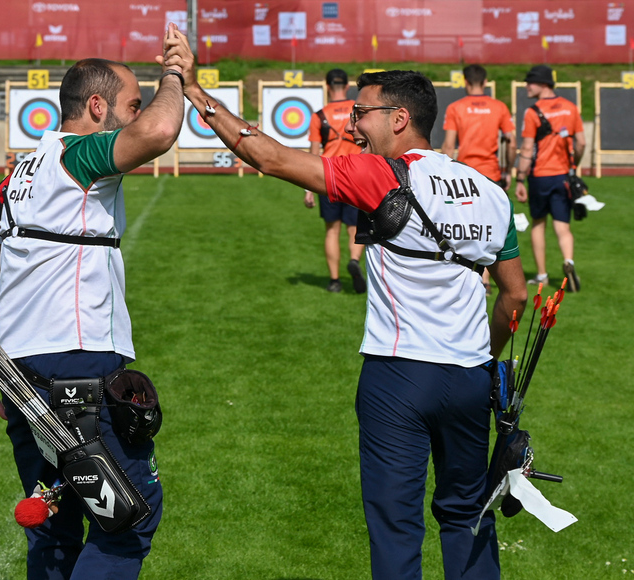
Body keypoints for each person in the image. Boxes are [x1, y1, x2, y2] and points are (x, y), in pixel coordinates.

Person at [174, 54, 528, 579]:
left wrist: (196, 93)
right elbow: (515, 297)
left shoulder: (379, 174)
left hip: (399, 375)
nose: (350, 124)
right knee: (469, 515)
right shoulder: (491, 193)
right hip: (471, 378)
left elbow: (269, 157)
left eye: (362, 113)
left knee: (395, 527)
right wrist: (486, 360)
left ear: (399, 119)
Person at [0, 24, 191, 580]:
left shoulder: (16, 174)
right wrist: (175, 74)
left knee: (54, 523)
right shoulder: (80, 156)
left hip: (19, 376)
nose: (137, 115)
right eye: (129, 105)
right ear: (96, 106)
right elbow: (159, 131)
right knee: (127, 519)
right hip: (78, 367)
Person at [441, 64, 517, 294]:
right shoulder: (499, 107)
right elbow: (511, 142)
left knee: (463, 225)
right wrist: (509, 170)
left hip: (464, 174)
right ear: (485, 82)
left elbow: (448, 145)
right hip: (491, 173)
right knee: (489, 226)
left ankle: (467, 274)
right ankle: (486, 277)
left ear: (465, 82)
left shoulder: (456, 107)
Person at [514, 65, 585, 292]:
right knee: (563, 226)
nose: (527, 86)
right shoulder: (570, 108)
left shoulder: (532, 112)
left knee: (538, 224)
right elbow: (581, 143)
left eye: (530, 82)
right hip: (563, 176)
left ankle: (542, 275)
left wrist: (520, 179)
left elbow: (526, 149)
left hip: (540, 177)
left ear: (543, 84)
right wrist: (574, 164)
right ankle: (569, 261)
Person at [303, 69, 365, 293]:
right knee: (355, 228)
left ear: (327, 86)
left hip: (328, 176)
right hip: (356, 176)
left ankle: (335, 281)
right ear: (347, 86)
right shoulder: (358, 111)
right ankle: (355, 261)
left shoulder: (319, 116)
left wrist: (308, 189)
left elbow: (313, 156)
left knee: (331, 230)